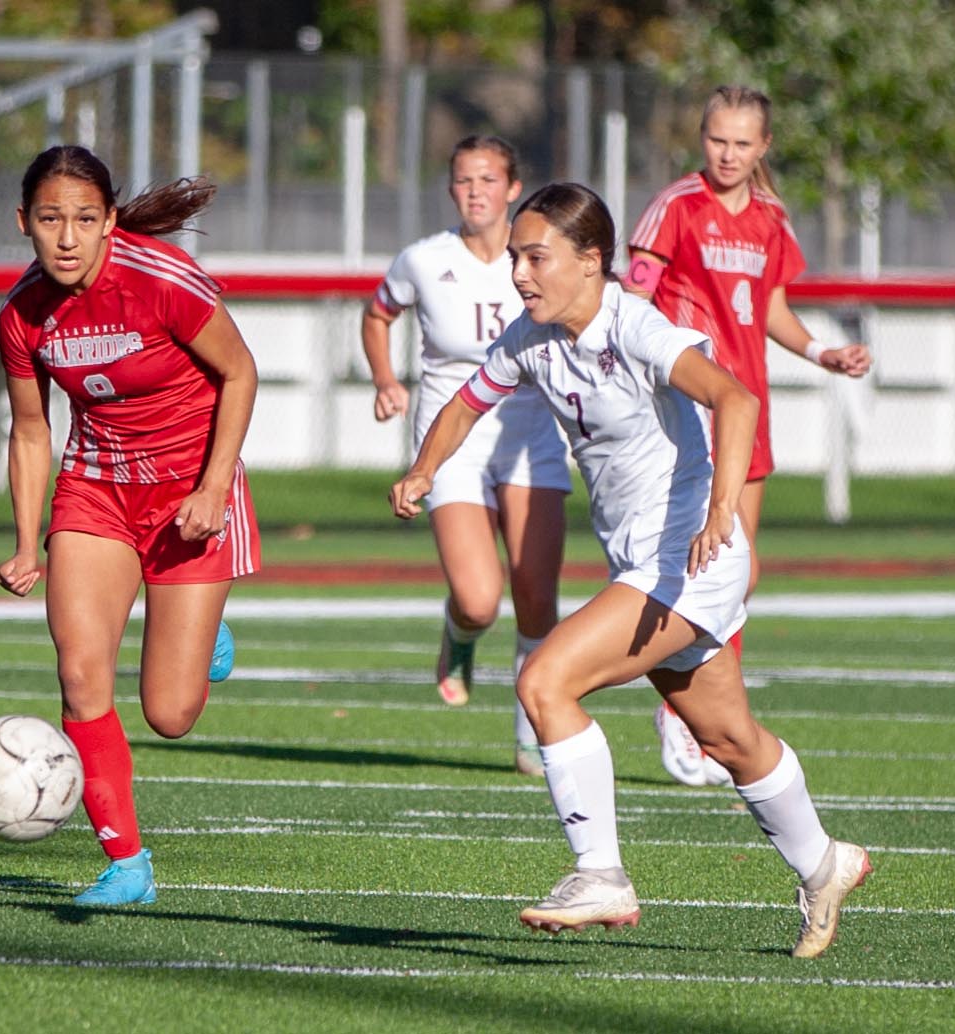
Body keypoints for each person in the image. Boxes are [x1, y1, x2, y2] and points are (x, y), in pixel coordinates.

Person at [390, 182, 870, 958]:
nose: (519, 273)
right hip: (646, 562)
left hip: (686, 561)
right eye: (516, 256)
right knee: (728, 739)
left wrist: (720, 510)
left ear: (591, 260)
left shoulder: (636, 325)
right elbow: (462, 405)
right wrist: (423, 470)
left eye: (535, 256)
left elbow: (736, 400)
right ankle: (825, 862)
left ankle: (600, 873)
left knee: (546, 681)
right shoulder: (530, 338)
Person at [0, 145, 260, 907]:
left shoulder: (160, 279)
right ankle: (127, 864)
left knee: (169, 715)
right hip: (96, 492)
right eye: (50, 220)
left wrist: (213, 488)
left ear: (110, 222)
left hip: (189, 496)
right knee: (80, 673)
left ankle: (204, 632)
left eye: (84, 219)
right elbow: (29, 432)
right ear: (25, 224)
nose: (68, 238)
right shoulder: (22, 314)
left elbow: (240, 373)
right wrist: (24, 543)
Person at [625, 85, 872, 787]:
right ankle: (685, 711)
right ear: (701, 138)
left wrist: (824, 352)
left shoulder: (769, 218)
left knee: (741, 574)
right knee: (699, 567)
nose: (727, 154)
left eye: (742, 143)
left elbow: (772, 310)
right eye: (716, 139)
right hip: (685, 412)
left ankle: (703, 714)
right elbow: (633, 299)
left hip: (746, 412)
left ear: (764, 147)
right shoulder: (676, 207)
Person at [363, 136, 571, 777]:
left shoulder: (540, 259)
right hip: (451, 435)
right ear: (451, 189)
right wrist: (385, 380)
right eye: (462, 179)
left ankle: (531, 730)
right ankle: (459, 636)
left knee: (536, 593)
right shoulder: (424, 260)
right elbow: (377, 316)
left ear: (513, 188)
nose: (474, 190)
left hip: (530, 430)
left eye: (488, 179)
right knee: (481, 599)